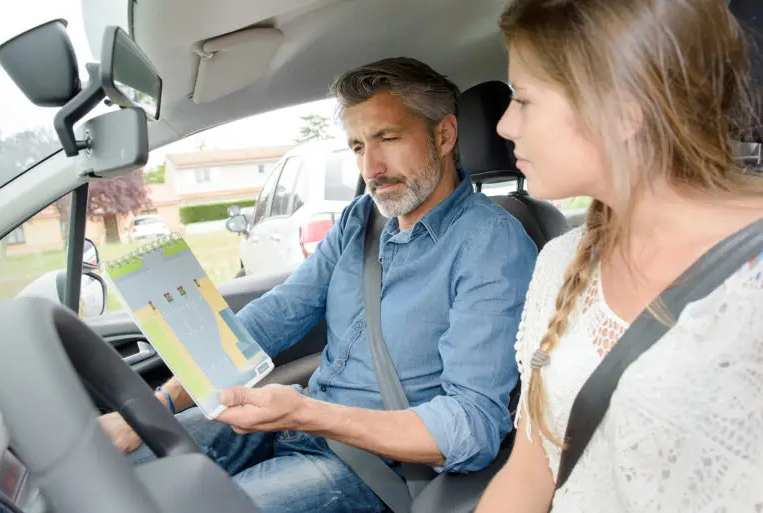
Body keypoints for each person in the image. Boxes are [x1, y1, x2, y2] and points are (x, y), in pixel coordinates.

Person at [100, 57, 538, 512]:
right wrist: (155, 408)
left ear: (444, 135)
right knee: (110, 473)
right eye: (356, 146)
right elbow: (278, 314)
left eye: (388, 138)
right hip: (302, 422)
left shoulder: (492, 245)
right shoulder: (361, 221)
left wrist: (309, 414)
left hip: (377, 466)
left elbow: (472, 424)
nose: (372, 167)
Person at [475, 1, 763, 512]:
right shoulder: (561, 263)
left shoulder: (749, 285)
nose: (503, 126)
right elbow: (531, 469)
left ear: (623, 112)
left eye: (524, 99)